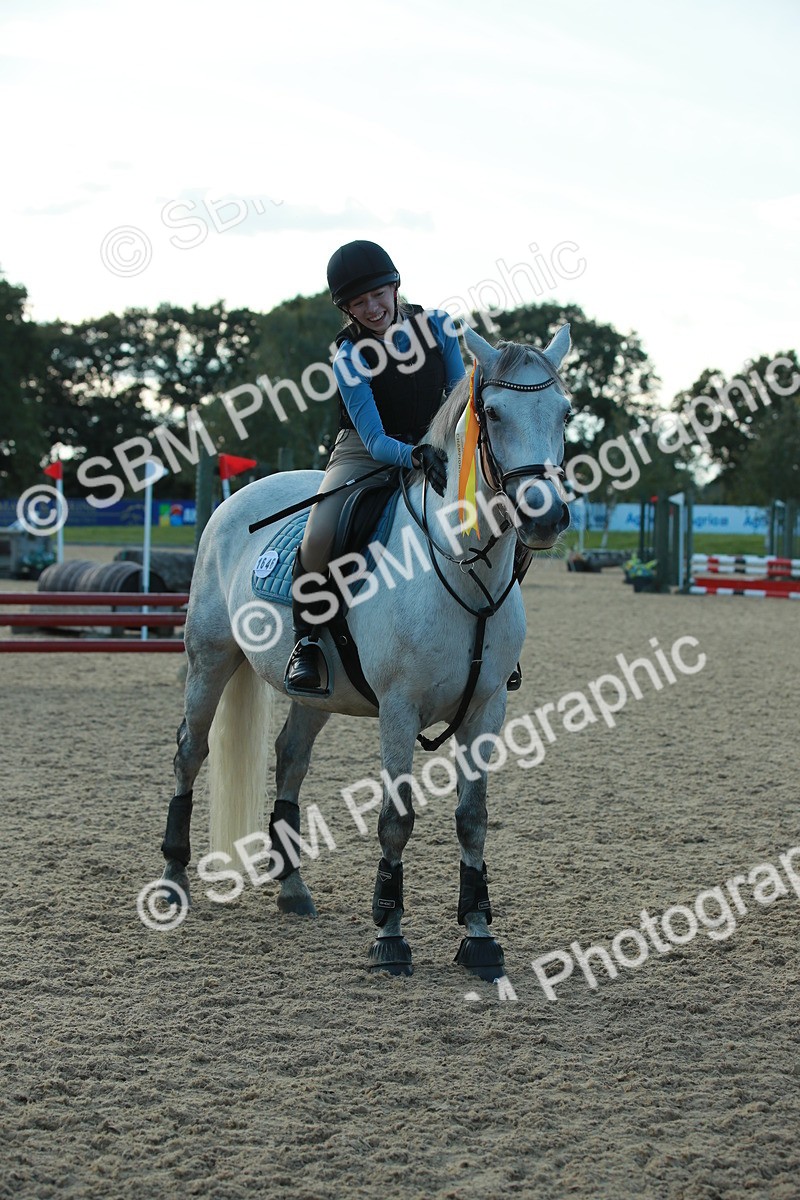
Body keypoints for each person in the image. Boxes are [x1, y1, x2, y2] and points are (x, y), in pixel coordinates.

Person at [286, 239, 466, 693]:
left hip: (432, 444)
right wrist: (415, 455)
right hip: (364, 454)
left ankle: (497, 638)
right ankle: (306, 641)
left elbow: (461, 396)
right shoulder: (349, 356)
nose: (372, 308)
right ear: (346, 308)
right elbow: (376, 440)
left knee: (493, 512)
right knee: (322, 532)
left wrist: (444, 446)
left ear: (396, 286)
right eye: (358, 302)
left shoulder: (439, 327)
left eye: (378, 295)